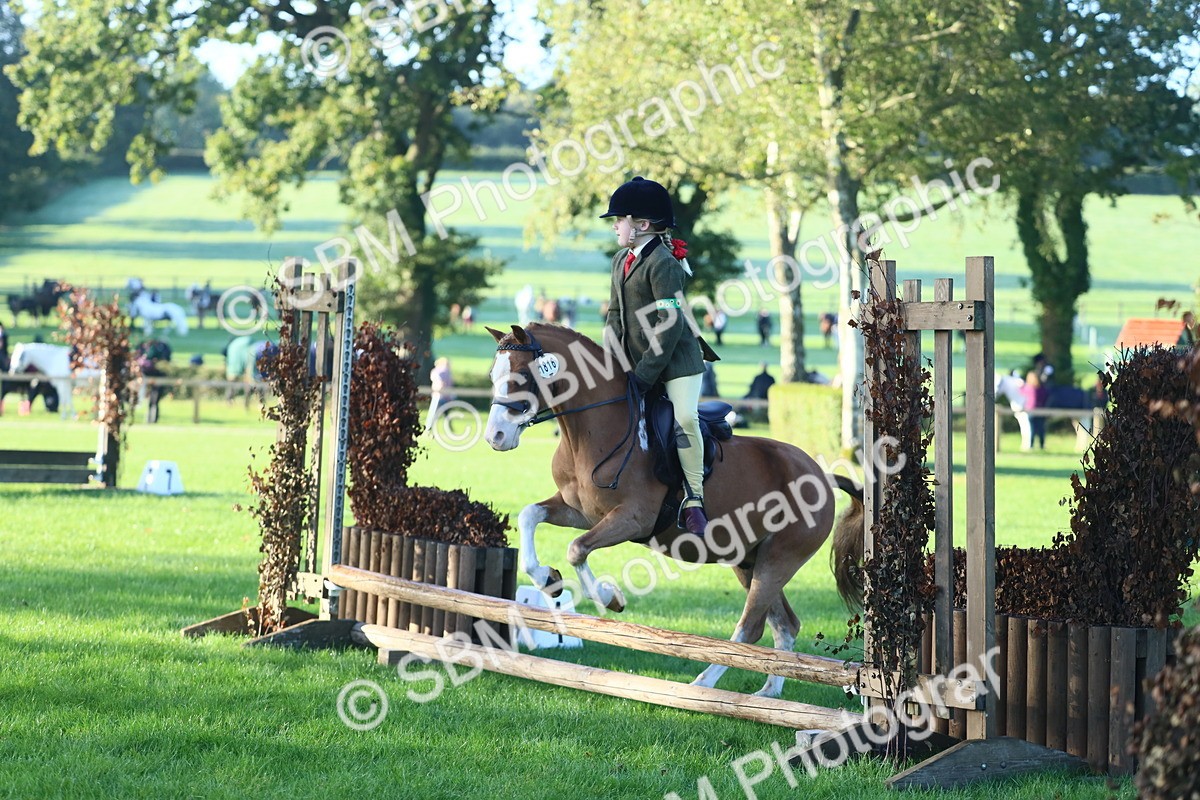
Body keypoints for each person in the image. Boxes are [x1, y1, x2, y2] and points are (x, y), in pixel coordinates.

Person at [601, 176, 712, 535]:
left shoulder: (662, 262)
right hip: (637, 363)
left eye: (620, 220)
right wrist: (610, 360)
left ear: (642, 225)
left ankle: (694, 497)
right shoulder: (621, 260)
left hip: (677, 363)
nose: (615, 225)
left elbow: (671, 321)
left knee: (684, 418)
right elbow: (615, 315)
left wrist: (645, 375)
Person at [1019, 370, 1048, 450]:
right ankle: (1042, 445)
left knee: (1032, 429)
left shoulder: (1027, 388)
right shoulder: (1042, 389)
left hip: (1031, 410)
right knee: (1041, 428)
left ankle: (1031, 445)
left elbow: (1020, 393)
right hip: (1041, 410)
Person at [426, 357, 454, 431]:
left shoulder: (436, 371)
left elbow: (438, 381)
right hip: (445, 395)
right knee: (446, 412)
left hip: (438, 395)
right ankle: (449, 428)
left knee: (433, 412)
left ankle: (429, 427)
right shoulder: (447, 372)